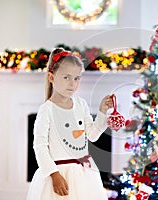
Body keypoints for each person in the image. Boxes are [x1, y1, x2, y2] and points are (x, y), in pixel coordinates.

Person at [27, 48, 113, 200]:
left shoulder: (81, 104)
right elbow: (39, 146)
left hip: (84, 175)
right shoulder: (46, 110)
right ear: (51, 77)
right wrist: (54, 174)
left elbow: (92, 135)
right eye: (66, 77)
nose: (72, 84)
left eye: (77, 78)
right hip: (57, 174)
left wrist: (102, 113)